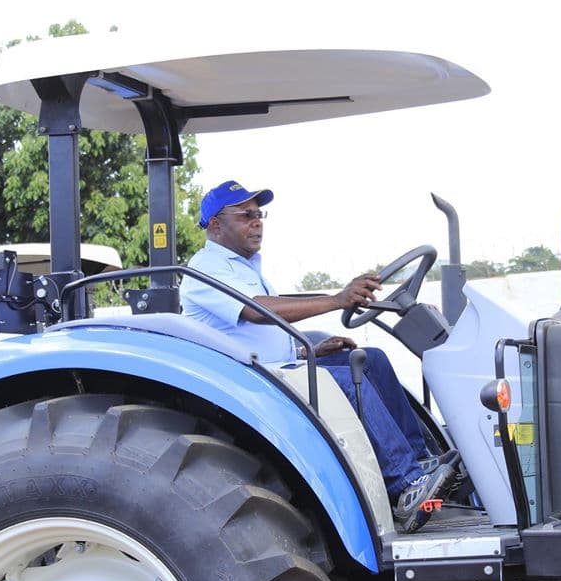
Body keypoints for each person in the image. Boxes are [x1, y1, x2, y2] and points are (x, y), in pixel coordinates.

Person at [180, 179, 456, 532]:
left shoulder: (244, 268)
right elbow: (256, 312)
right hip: (248, 381)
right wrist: (338, 300)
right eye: (246, 215)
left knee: (370, 360)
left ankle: (420, 464)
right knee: (340, 381)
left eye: (259, 214)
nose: (257, 222)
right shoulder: (205, 268)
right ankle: (405, 486)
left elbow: (251, 334)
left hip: (276, 366)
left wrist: (305, 347)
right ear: (216, 225)